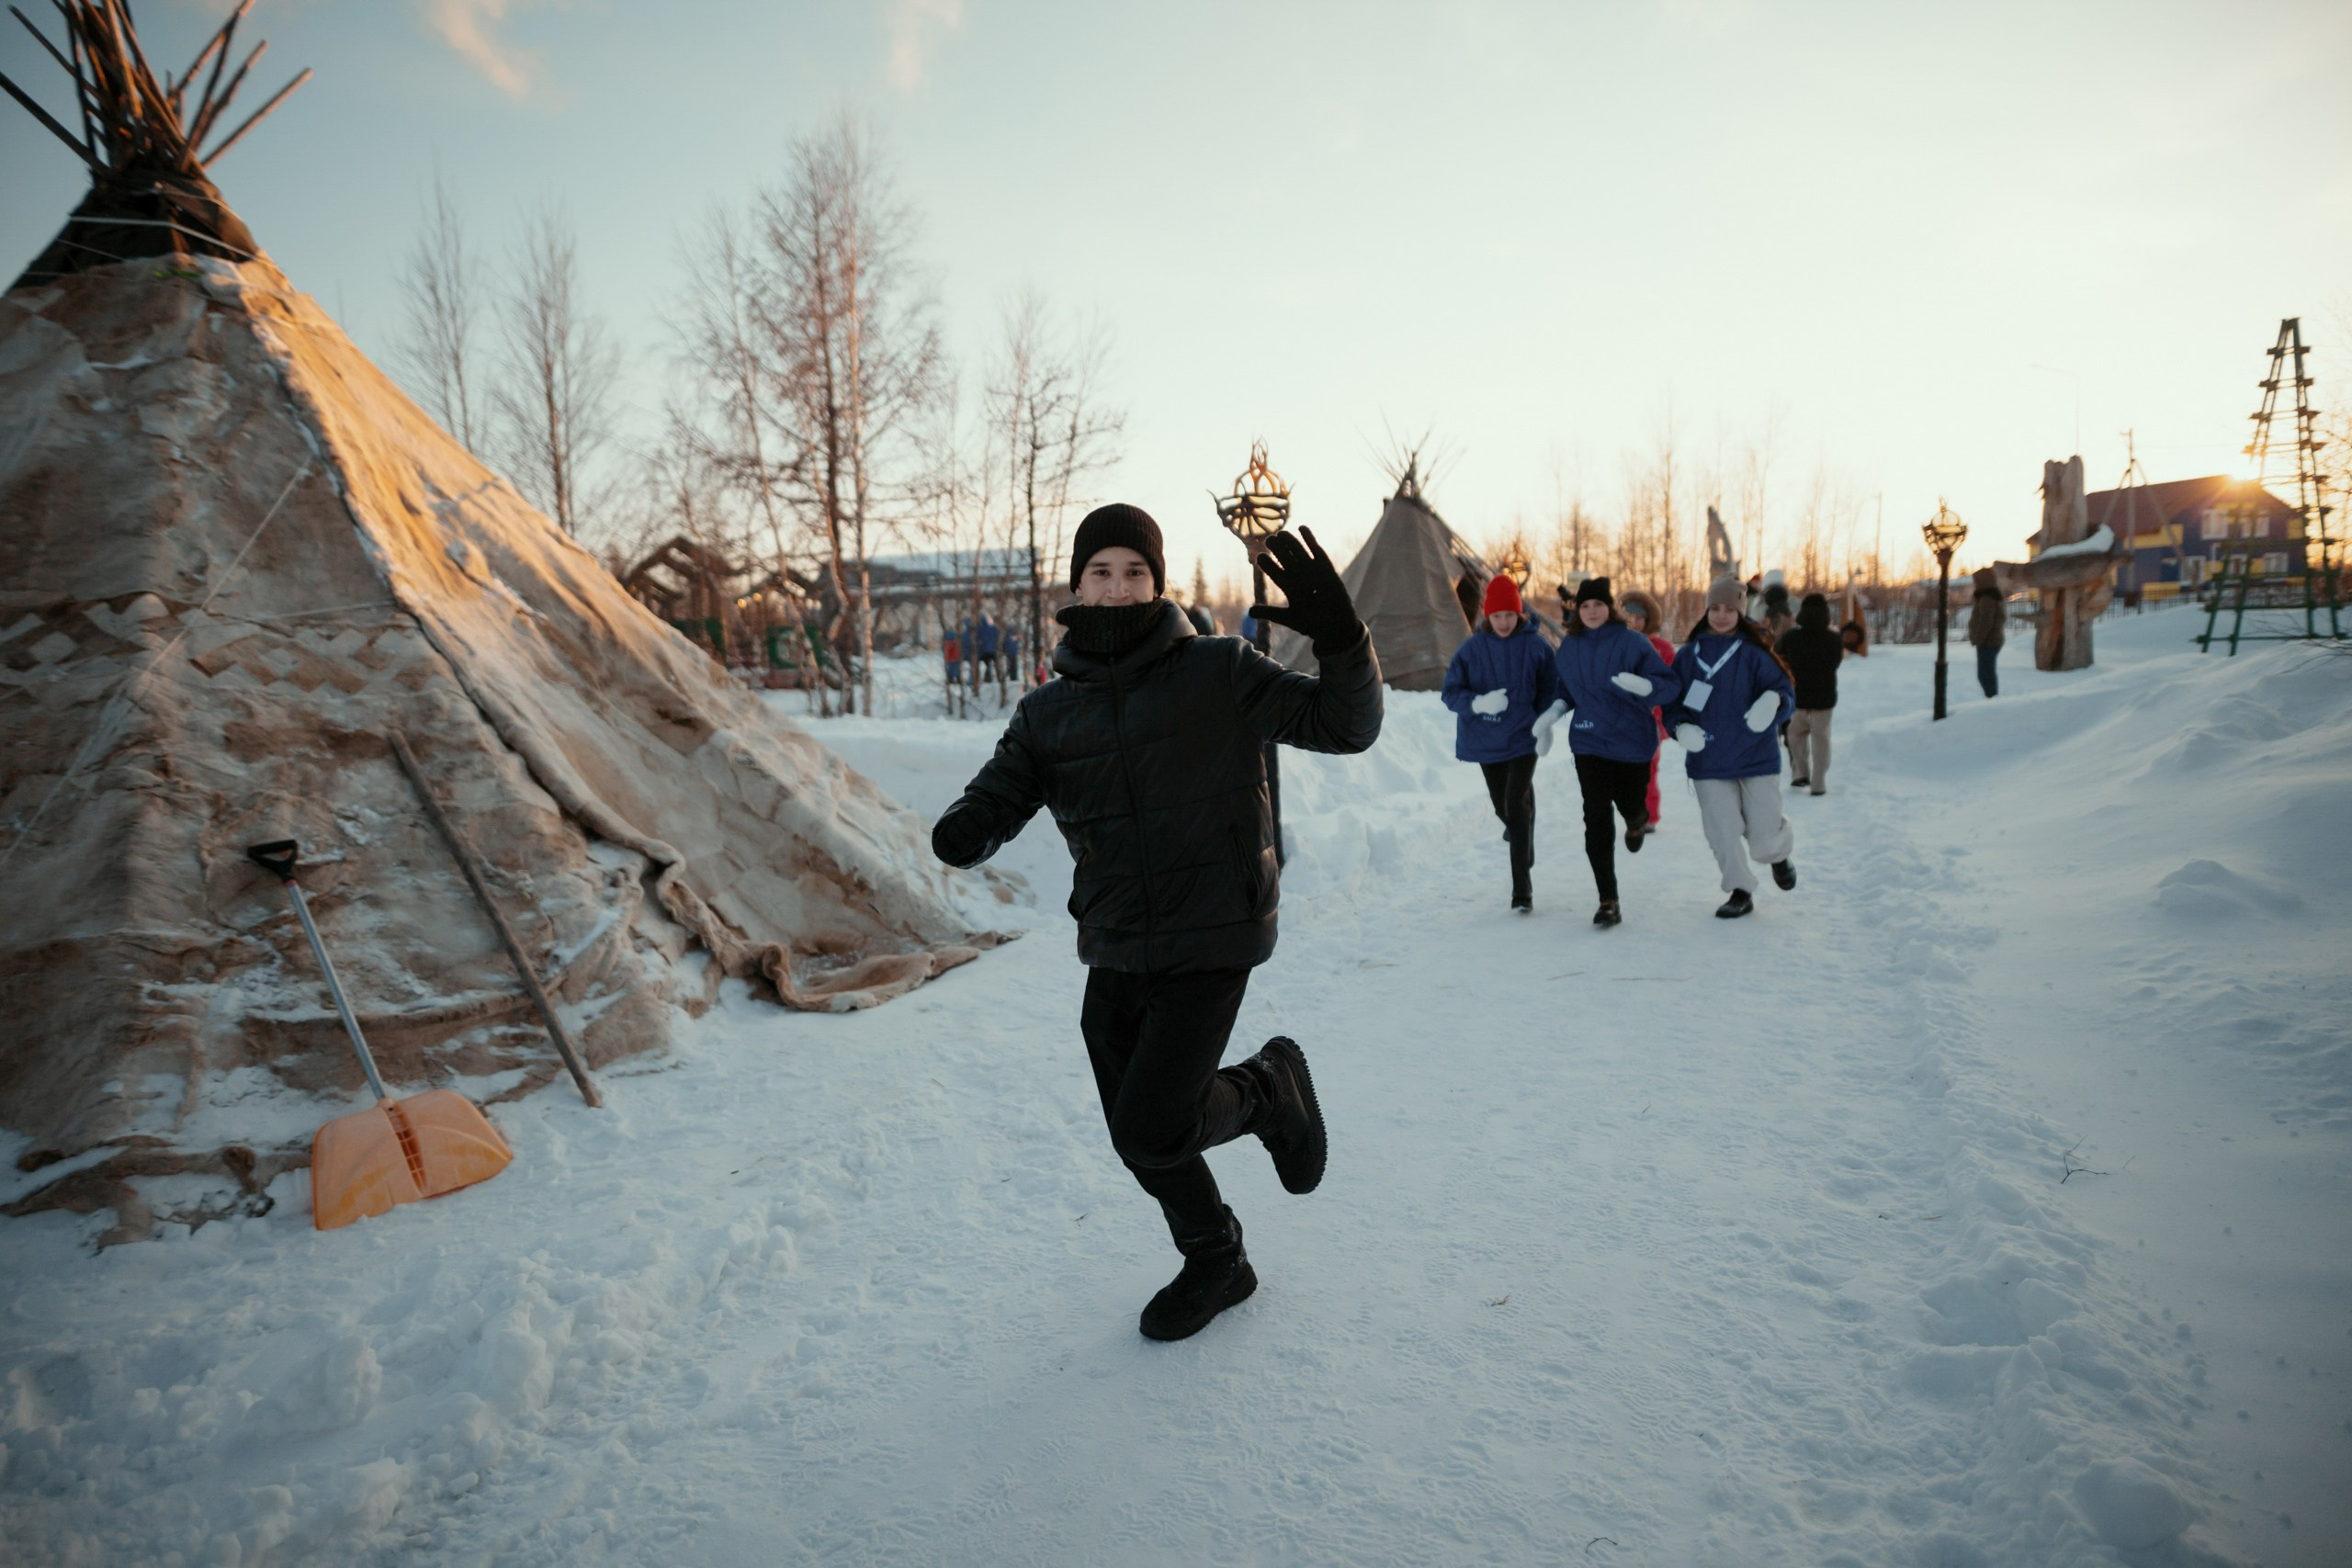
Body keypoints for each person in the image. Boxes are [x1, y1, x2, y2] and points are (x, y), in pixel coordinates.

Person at [932, 504, 1382, 1343]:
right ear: (1076, 586)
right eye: (1100, 571)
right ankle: (1217, 1257)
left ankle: (1267, 1089)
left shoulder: (1219, 669)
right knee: (1136, 1130)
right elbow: (1001, 789)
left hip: (1216, 930)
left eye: (1135, 571)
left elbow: (1346, 725)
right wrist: (972, 824)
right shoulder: (1046, 714)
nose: (1118, 586)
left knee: (1151, 1119)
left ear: (1158, 582)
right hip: (1117, 936)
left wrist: (1344, 641)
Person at [1550, 578, 1681, 928]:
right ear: (1578, 610)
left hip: (1632, 742)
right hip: (1589, 741)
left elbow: (1669, 685)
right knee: (1595, 815)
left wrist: (1646, 686)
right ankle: (1608, 899)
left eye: (1598, 605)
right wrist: (1552, 712)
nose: (1592, 611)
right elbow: (1563, 688)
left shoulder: (1634, 642)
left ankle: (1637, 818)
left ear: (1610, 608)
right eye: (1586, 606)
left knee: (1629, 802)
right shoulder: (1571, 646)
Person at [1665, 578, 1798, 919]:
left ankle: (1778, 855)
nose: (1722, 615)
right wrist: (1680, 727)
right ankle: (1741, 890)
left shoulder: (1755, 654)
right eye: (1715, 608)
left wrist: (1773, 702)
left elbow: (1783, 693)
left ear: (1740, 613)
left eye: (1729, 609)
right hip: (1709, 761)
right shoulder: (1688, 657)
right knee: (1722, 832)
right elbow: (1671, 703)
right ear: (1706, 610)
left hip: (1756, 756)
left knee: (1764, 836)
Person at [1441, 574, 1564, 913]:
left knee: (1514, 800)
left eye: (1510, 615)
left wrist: (1546, 720)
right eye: (1498, 616)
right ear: (1487, 616)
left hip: (1524, 737)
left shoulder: (1537, 646)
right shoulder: (1471, 650)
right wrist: (1478, 704)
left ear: (1519, 612)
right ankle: (1524, 834)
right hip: (1486, 739)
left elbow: (1551, 688)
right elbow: (1450, 692)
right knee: (1504, 807)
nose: (1504, 622)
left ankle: (1521, 891)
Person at [1619, 589, 1677, 832]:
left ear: (1647, 620)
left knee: (1648, 767)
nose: (1634, 624)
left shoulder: (1661, 647)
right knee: (1625, 769)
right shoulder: (1617, 645)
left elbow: (1672, 681)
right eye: (1628, 618)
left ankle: (1648, 815)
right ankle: (1632, 810)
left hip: (1652, 719)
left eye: (1638, 619)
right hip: (1621, 719)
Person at [1775, 592, 1841, 795]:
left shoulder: (1792, 637)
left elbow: (1779, 655)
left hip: (1799, 697)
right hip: (1824, 697)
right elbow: (1836, 663)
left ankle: (1801, 773)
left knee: (1795, 733)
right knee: (1821, 738)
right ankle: (1818, 782)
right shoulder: (1833, 638)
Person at [1968, 568, 2004, 697]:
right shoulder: (1989, 597)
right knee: (1985, 673)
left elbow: (1986, 622)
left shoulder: (1987, 599)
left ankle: (1992, 701)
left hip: (1988, 642)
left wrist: (1978, 638)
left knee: (1985, 674)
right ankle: (1991, 698)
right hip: (1989, 641)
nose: (1975, 584)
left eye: (1976, 581)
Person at [975, 612, 1000, 680]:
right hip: (992, 649)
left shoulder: (979, 629)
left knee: (987, 664)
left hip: (984, 651)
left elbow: (977, 639)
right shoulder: (993, 628)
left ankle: (987, 678)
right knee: (995, 664)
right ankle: (999, 677)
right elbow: (997, 636)